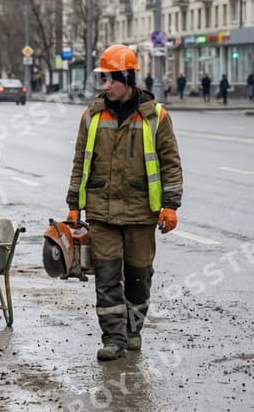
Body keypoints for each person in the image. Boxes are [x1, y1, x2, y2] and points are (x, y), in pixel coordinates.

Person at [66, 45, 183, 361]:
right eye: (102, 79)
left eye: (110, 80)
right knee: (106, 278)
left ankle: (133, 332)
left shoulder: (156, 117)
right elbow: (80, 162)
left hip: (141, 212)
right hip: (102, 212)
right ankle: (113, 338)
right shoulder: (92, 115)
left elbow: (170, 163)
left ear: (128, 79)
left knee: (138, 277)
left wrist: (170, 206)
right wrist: (74, 205)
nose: (105, 86)